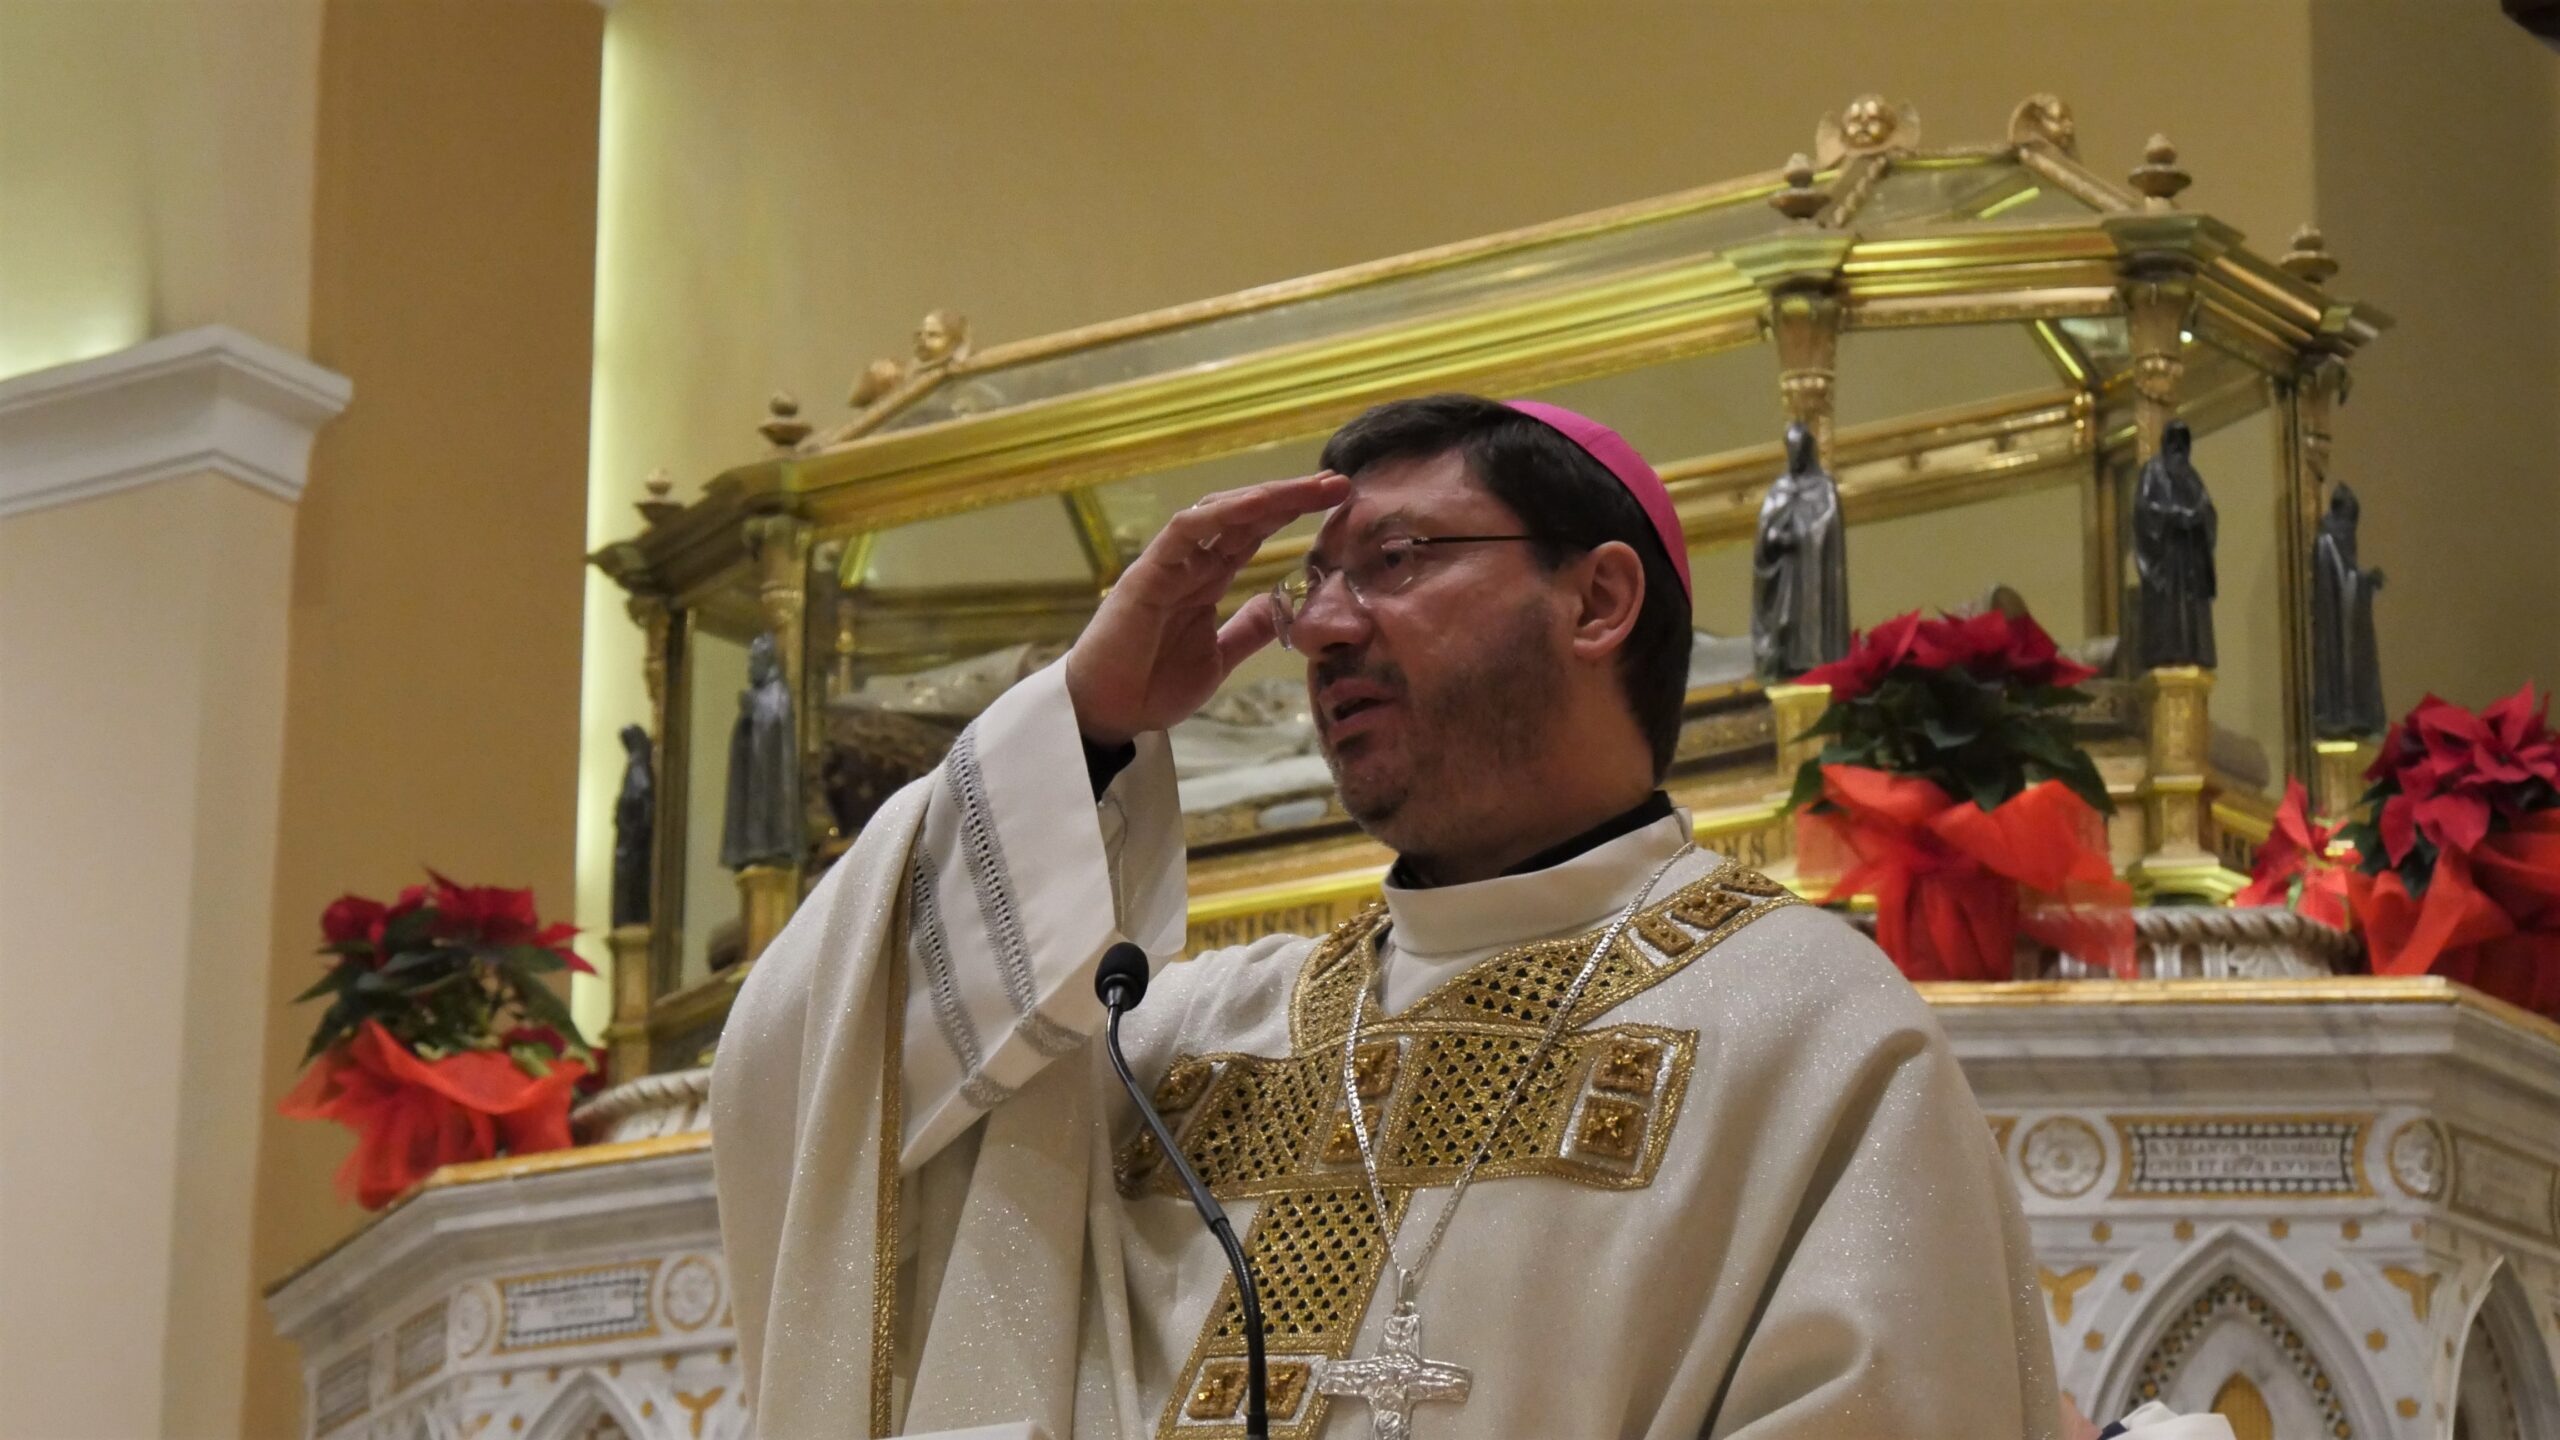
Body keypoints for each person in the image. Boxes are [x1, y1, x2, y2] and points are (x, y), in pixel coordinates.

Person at [713, 394, 2060, 1439]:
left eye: (1396, 561)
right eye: (1316, 586)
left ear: (1598, 599)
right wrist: (1085, 726)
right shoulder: (1184, 1032)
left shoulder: (1811, 1030)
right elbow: (817, 1078)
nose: (1324, 629)